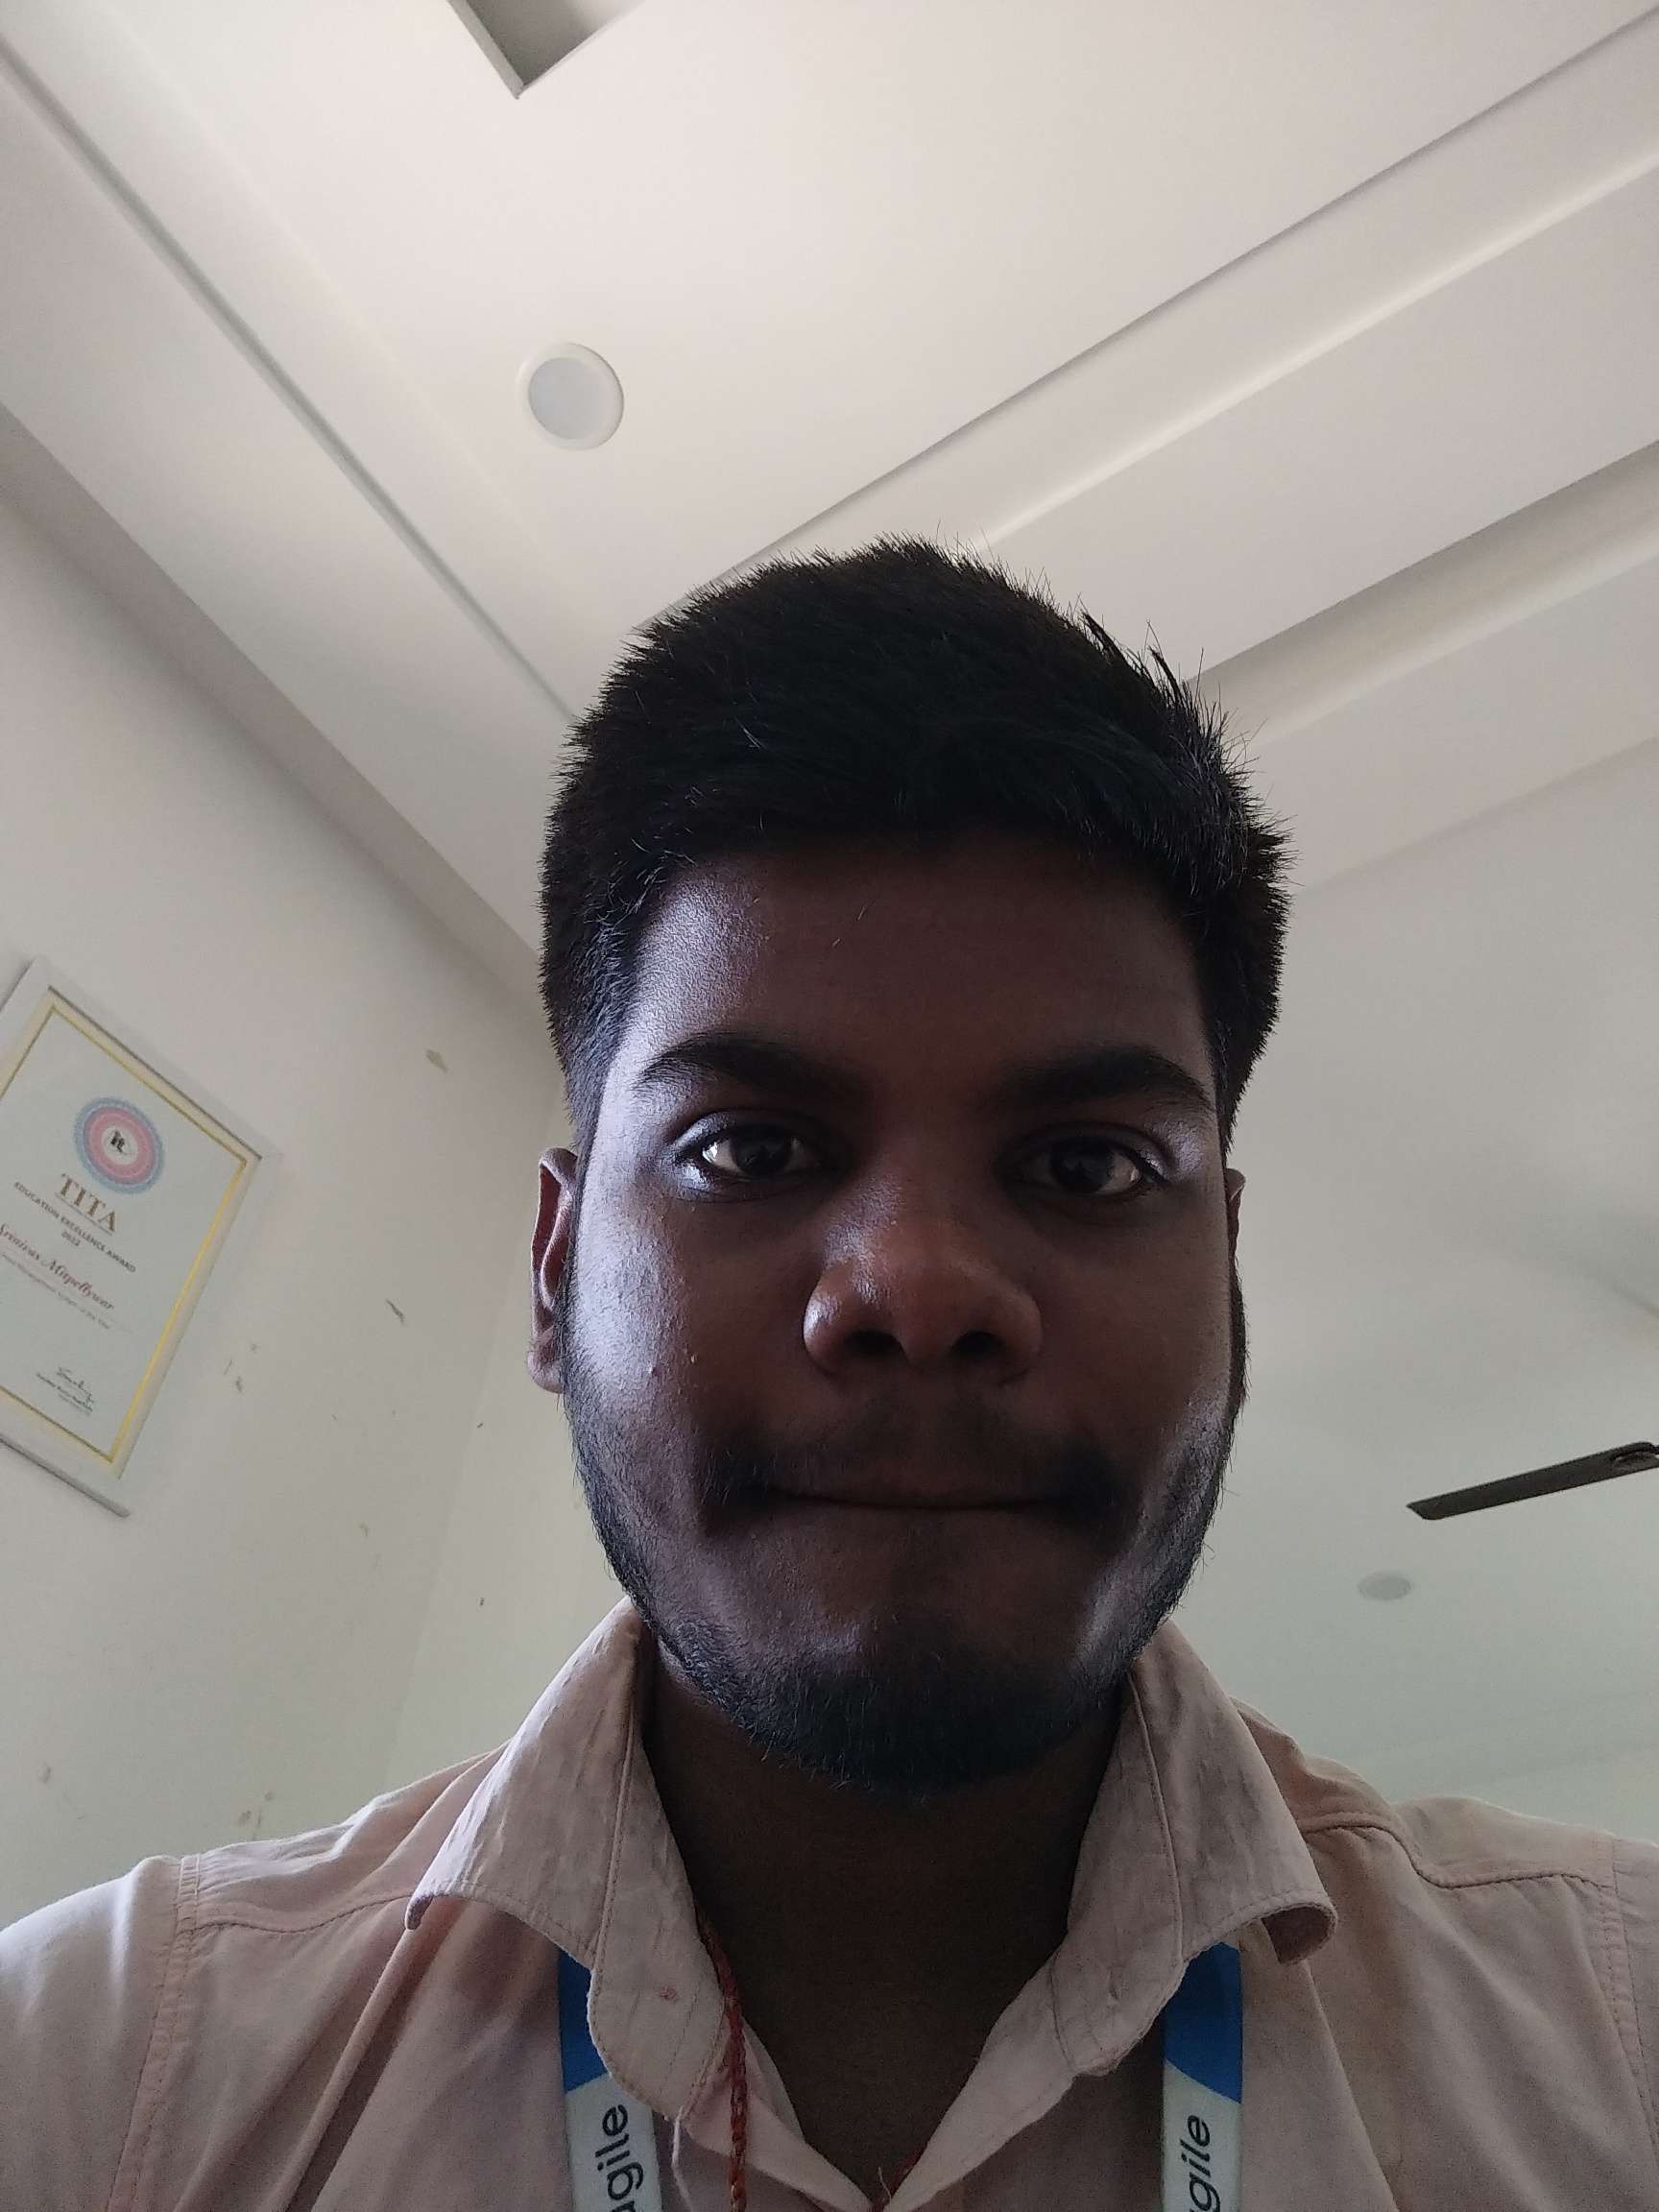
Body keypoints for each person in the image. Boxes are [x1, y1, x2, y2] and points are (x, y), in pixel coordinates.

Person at [2, 541, 1654, 2211]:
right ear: (558, 1271)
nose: (920, 1290)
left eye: (1088, 1166)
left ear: (1226, 1277)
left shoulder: (1622, 2031)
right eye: (750, 1147)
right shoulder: (97, 2072)